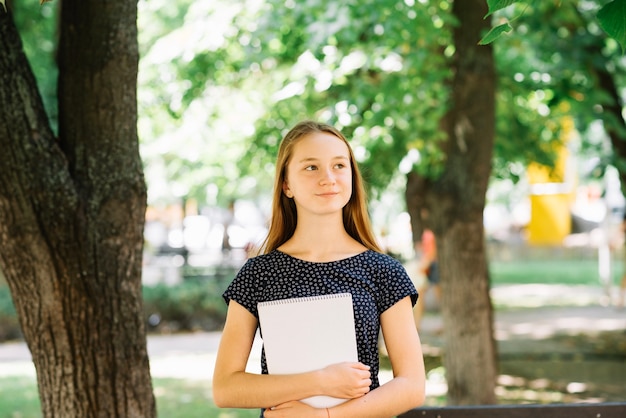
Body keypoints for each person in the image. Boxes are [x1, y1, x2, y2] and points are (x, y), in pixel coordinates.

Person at [212, 120, 425, 418]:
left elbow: (412, 385)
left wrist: (324, 417)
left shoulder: (383, 271)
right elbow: (225, 388)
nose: (328, 178)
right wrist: (320, 381)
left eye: (339, 165)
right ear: (287, 184)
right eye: (311, 167)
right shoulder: (258, 274)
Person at [412, 229, 441, 331]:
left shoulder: (432, 232)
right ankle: (417, 325)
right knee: (419, 295)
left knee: (440, 296)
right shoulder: (427, 232)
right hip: (428, 266)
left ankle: (444, 324)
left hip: (433, 265)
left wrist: (426, 263)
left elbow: (434, 250)